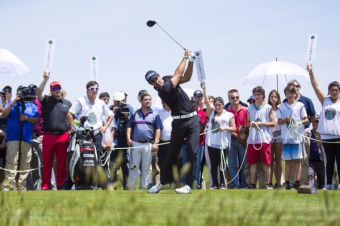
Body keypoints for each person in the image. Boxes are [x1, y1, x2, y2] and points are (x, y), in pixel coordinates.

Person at [148, 50, 200, 194]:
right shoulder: (163, 90)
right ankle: (162, 183)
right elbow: (177, 74)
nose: (157, 80)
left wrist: (191, 62)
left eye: (156, 77)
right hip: (178, 123)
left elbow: (186, 77)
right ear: (152, 85)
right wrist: (185, 57)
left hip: (193, 119)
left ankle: (188, 185)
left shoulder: (166, 79)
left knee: (191, 151)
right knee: (172, 153)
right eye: (153, 81)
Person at [69, 81, 114, 187]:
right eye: (92, 89)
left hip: (97, 133)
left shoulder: (101, 103)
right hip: (82, 134)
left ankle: (96, 183)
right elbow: (70, 114)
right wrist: (74, 127)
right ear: (87, 90)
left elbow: (111, 115)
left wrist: (105, 127)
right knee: (81, 158)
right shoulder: (80, 101)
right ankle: (77, 181)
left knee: (97, 157)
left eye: (96, 89)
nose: (94, 91)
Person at [36, 72, 73, 190]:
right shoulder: (46, 100)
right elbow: (38, 92)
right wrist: (45, 80)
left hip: (63, 136)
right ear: (51, 91)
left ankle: (61, 185)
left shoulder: (67, 103)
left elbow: (69, 116)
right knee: (47, 162)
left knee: (62, 163)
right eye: (55, 89)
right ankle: (46, 186)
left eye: (58, 88)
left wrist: (71, 128)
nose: (57, 90)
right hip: (48, 136)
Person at [307, 64, 340, 190]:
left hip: (339, 136)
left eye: (336, 90)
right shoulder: (325, 101)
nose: (334, 92)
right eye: (332, 90)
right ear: (329, 91)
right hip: (327, 136)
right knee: (329, 162)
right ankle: (329, 184)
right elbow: (316, 87)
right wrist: (311, 73)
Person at [1, 86, 40, 191]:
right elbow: (4, 115)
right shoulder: (12, 104)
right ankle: (8, 185)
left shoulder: (32, 106)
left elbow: (37, 120)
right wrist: (13, 102)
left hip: (26, 137)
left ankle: (22, 186)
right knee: (11, 161)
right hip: (13, 137)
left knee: (25, 162)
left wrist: (27, 118)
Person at [203, 83, 236, 189]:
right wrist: (204, 89)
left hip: (224, 144)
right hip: (212, 143)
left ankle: (222, 183)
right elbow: (207, 101)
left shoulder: (229, 115)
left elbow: (234, 128)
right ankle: (214, 184)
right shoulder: (212, 113)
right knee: (213, 165)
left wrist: (225, 128)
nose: (217, 107)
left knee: (222, 165)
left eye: (219, 105)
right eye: (216, 105)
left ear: (223, 104)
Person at [126, 94, 162, 189]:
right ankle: (131, 188)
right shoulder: (135, 114)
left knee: (146, 168)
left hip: (148, 144)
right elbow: (129, 127)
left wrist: (156, 143)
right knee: (134, 167)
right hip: (136, 144)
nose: (148, 101)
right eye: (145, 100)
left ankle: (144, 188)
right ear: (141, 101)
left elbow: (158, 129)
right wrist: (128, 138)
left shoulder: (155, 115)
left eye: (149, 99)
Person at [285, 79, 316, 185]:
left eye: (297, 86)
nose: (295, 88)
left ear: (299, 87)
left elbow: (312, 116)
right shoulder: (285, 101)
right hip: (290, 133)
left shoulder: (306, 100)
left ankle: (303, 182)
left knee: (304, 158)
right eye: (293, 86)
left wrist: (301, 123)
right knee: (291, 160)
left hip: (304, 132)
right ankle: (293, 182)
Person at [277, 84, 308, 189]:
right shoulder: (281, 107)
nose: (289, 95)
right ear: (285, 94)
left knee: (297, 160)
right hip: (286, 137)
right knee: (287, 161)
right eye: (287, 93)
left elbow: (306, 119)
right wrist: (285, 120)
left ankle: (297, 181)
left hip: (297, 137)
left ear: (295, 94)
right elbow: (279, 121)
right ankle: (287, 182)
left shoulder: (300, 105)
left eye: (291, 93)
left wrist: (297, 122)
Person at [247, 86, 275, 189]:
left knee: (266, 162)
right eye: (255, 94)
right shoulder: (249, 108)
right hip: (252, 139)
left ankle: (268, 183)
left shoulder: (268, 107)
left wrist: (262, 123)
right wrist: (251, 124)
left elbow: (273, 123)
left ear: (263, 95)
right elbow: (248, 122)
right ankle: (253, 183)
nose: (257, 96)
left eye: (259, 94)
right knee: (252, 162)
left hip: (265, 139)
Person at [226, 89, 249, 189]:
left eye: (237, 97)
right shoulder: (226, 112)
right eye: (232, 97)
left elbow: (248, 124)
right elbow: (227, 127)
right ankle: (235, 184)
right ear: (229, 99)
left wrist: (244, 135)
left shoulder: (245, 110)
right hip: (231, 139)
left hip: (243, 140)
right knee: (232, 164)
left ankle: (244, 184)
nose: (235, 99)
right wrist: (236, 135)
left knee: (243, 164)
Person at [268, 90, 283, 188]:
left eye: (275, 97)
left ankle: (278, 182)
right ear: (269, 98)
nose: (274, 98)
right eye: (272, 96)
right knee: (270, 160)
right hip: (269, 134)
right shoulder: (267, 108)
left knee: (278, 159)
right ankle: (269, 182)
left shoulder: (281, 109)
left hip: (279, 134)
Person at [308, 115, 325, 189]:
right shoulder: (308, 133)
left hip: (321, 162)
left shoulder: (324, 133)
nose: (315, 123)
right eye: (313, 121)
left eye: (317, 121)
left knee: (322, 182)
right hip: (311, 161)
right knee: (310, 176)